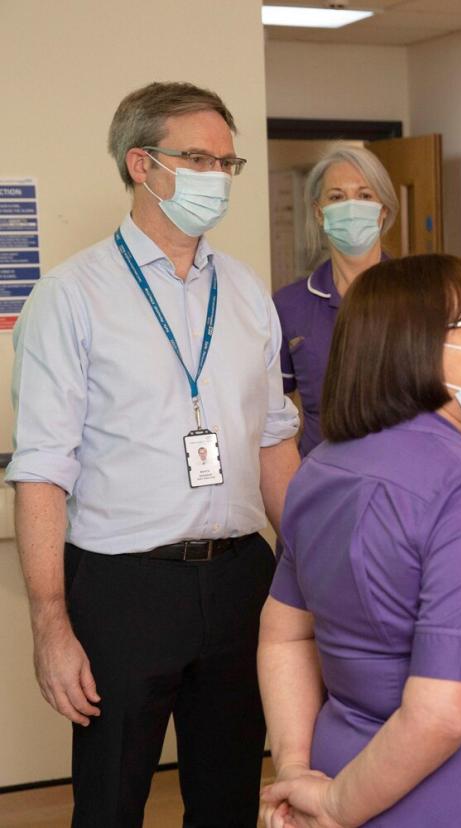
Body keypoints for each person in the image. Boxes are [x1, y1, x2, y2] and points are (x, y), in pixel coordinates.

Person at [6, 82, 300, 826]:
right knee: (110, 802)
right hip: (122, 588)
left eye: (228, 163)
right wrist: (50, 623)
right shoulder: (70, 298)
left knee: (229, 796)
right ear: (141, 164)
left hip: (241, 578)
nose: (217, 178)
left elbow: (273, 441)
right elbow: (41, 469)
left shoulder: (244, 293)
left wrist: (314, 565)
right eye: (198, 158)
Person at [258, 255, 461, 827]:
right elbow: (443, 713)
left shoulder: (322, 469)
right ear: (418, 347)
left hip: (344, 768)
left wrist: (296, 773)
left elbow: (283, 636)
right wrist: (331, 807)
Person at [274, 145, 398, 457]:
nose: (352, 207)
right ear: (319, 212)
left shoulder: (421, 297)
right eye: (337, 197)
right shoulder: (289, 306)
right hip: (323, 487)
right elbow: (272, 420)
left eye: (365, 195)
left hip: (406, 486)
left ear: (383, 211)